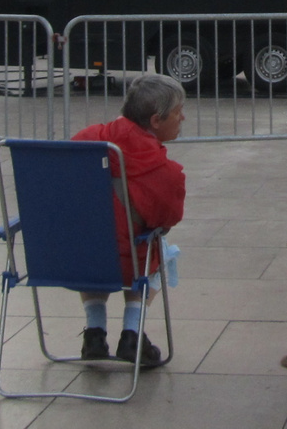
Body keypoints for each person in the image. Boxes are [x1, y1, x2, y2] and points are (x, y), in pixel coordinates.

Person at [72, 75, 186, 369]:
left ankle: (95, 332)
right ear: (156, 121)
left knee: (94, 239)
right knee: (155, 247)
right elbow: (166, 221)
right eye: (178, 111)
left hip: (73, 258)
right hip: (127, 263)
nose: (183, 117)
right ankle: (132, 333)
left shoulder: (82, 142)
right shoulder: (165, 171)